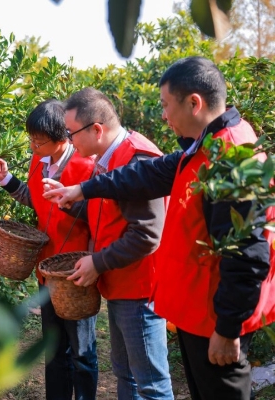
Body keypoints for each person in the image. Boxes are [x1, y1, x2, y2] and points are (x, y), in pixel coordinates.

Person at [43, 57, 275, 400]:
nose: (163, 115)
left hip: (212, 317)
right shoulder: (206, 145)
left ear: (193, 103)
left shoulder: (231, 158)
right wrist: (84, 189)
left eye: (166, 105)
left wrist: (228, 328)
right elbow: (149, 175)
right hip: (196, 310)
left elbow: (249, 254)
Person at [45, 88, 174, 399]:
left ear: (97, 129)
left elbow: (146, 234)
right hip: (121, 285)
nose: (69, 141)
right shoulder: (108, 158)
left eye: (71, 132)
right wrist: (71, 201)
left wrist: (97, 262)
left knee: (151, 385)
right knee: (127, 376)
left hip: (140, 290)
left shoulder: (136, 158)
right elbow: (109, 213)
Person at [0, 99, 98, 400]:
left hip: (77, 273)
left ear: (63, 138)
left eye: (40, 140)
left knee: (83, 353)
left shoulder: (86, 166)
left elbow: (99, 217)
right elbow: (35, 200)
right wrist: (6, 180)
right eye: (31, 138)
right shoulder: (39, 162)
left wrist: (93, 260)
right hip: (47, 272)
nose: (33, 146)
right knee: (54, 349)